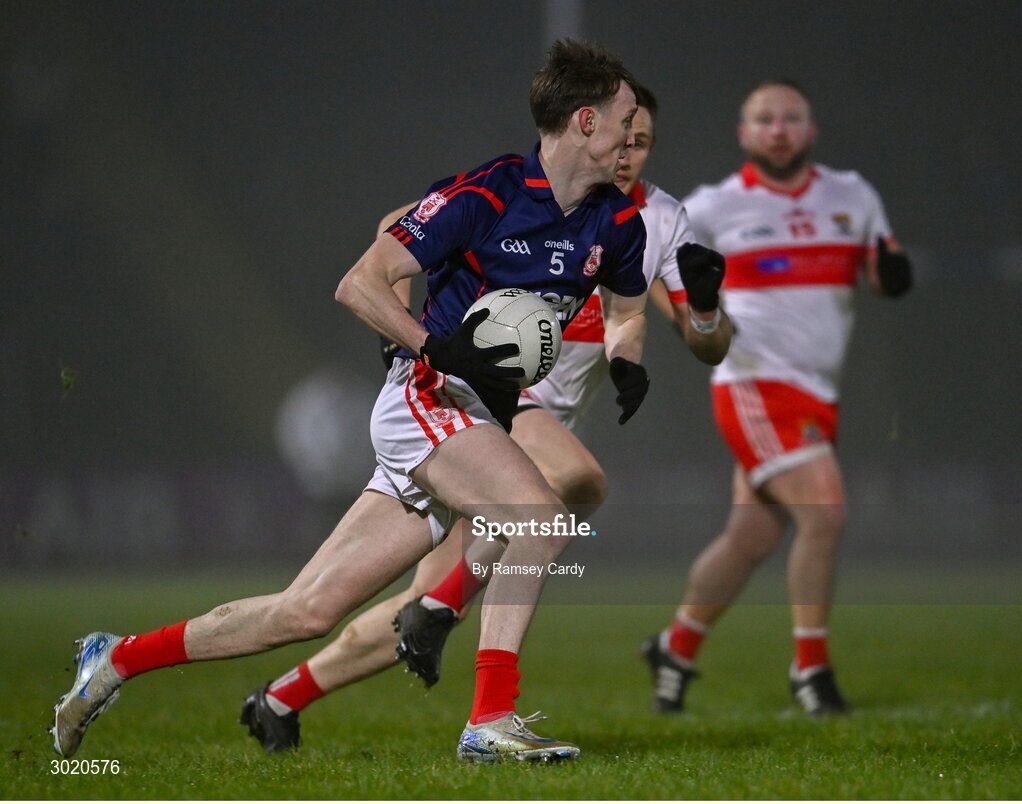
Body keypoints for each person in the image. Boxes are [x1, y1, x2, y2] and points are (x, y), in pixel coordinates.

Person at [52, 38, 652, 764]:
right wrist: (428, 343)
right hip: (427, 398)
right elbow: (361, 281)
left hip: (477, 419)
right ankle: (489, 718)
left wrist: (630, 357)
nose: (633, 133)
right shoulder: (488, 193)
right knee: (540, 513)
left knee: (303, 612)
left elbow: (621, 309)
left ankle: (115, 659)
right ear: (584, 122)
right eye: (624, 118)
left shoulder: (616, 224)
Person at [237, 85, 733, 753]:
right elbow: (397, 226)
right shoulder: (531, 197)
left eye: (640, 143)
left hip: (510, 448)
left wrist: (699, 310)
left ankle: (282, 697)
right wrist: (403, 337)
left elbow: (696, 339)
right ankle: (449, 623)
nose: (626, 153)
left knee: (410, 607)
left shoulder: (655, 223)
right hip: (487, 406)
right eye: (622, 135)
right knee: (581, 481)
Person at [642, 78, 913, 716]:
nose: (778, 128)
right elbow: (655, 264)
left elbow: (881, 266)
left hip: (818, 391)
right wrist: (690, 322)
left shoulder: (853, 194)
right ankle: (811, 672)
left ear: (810, 130)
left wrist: (890, 275)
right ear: (745, 134)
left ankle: (674, 648)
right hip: (755, 382)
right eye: (764, 118)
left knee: (751, 538)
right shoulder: (714, 207)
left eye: (791, 117)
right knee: (825, 512)